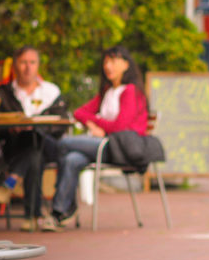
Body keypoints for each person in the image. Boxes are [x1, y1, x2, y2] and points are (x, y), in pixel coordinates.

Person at [44, 46, 148, 232]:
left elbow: (120, 127)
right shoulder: (107, 92)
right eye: (106, 61)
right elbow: (79, 112)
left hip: (118, 148)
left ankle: (65, 205)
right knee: (71, 159)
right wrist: (94, 125)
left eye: (113, 61)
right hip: (100, 146)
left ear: (126, 64)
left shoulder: (130, 91)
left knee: (64, 144)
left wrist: (96, 122)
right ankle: (60, 212)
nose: (108, 65)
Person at [0, 47, 68, 231]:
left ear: (38, 65)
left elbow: (61, 124)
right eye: (23, 62)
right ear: (15, 66)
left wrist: (38, 127)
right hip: (15, 149)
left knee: (35, 136)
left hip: (49, 147)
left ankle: (11, 181)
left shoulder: (51, 92)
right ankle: (33, 217)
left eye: (32, 62)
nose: (28, 67)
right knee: (34, 155)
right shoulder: (2, 93)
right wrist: (11, 128)